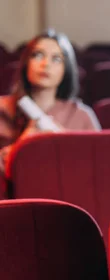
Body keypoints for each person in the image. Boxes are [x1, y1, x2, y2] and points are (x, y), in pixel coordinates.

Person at [0, 29, 100, 173]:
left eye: (56, 59)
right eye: (38, 55)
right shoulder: (3, 108)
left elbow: (97, 169)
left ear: (66, 70)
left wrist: (65, 145)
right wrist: (22, 146)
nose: (46, 64)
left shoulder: (82, 115)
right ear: (26, 63)